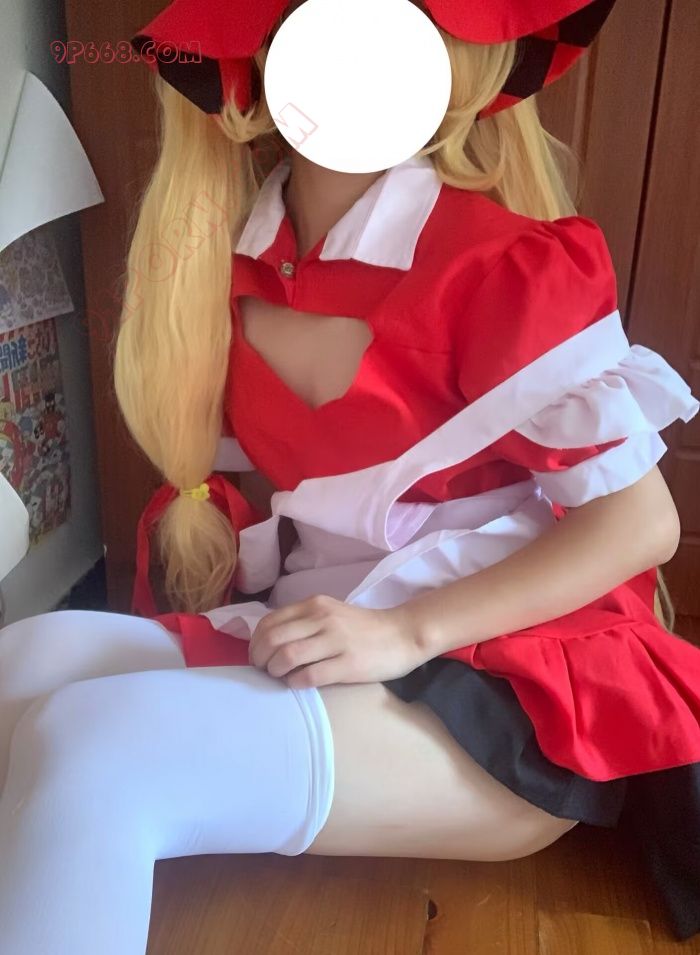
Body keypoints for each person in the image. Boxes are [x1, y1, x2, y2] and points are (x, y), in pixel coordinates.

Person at [0, 1, 699, 951]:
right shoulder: (230, 272)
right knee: (25, 663)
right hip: (339, 624)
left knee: (99, 750)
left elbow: (640, 524)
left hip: (507, 673)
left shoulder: (501, 263)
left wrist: (405, 630)